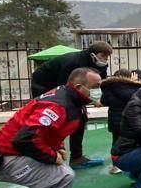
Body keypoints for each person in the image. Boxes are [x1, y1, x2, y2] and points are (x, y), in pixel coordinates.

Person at [30, 41, 113, 169]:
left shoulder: (100, 64)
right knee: (53, 120)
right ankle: (47, 155)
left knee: (81, 118)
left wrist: (102, 98)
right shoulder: (72, 63)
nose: (105, 59)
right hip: (44, 84)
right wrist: (90, 101)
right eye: (103, 56)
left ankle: (76, 157)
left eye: (107, 56)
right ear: (93, 55)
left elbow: (100, 83)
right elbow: (65, 88)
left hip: (68, 87)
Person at [100, 68, 141, 175]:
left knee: (116, 142)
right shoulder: (133, 88)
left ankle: (115, 166)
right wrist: (135, 83)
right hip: (130, 120)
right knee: (134, 142)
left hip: (114, 120)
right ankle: (133, 163)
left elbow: (104, 101)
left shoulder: (108, 88)